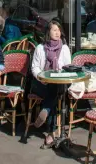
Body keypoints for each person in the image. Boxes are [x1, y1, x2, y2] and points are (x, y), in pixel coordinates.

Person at [30, 19, 71, 148]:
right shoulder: (40, 48)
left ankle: (46, 114)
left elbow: (68, 67)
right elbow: (35, 67)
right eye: (54, 30)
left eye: (59, 30)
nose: (57, 33)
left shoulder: (64, 48)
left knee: (53, 91)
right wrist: (40, 77)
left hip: (59, 82)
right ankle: (49, 132)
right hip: (42, 83)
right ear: (48, 32)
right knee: (52, 96)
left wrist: (60, 73)